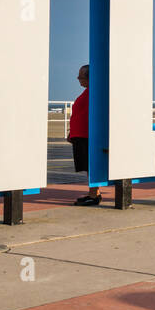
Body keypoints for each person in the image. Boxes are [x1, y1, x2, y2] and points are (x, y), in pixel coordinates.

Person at [68, 64, 101, 205]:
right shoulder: (88, 92)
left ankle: (93, 195)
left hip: (87, 136)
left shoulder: (94, 92)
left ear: (89, 78)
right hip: (81, 135)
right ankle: (94, 193)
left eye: (81, 76)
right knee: (88, 166)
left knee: (90, 166)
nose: (78, 78)